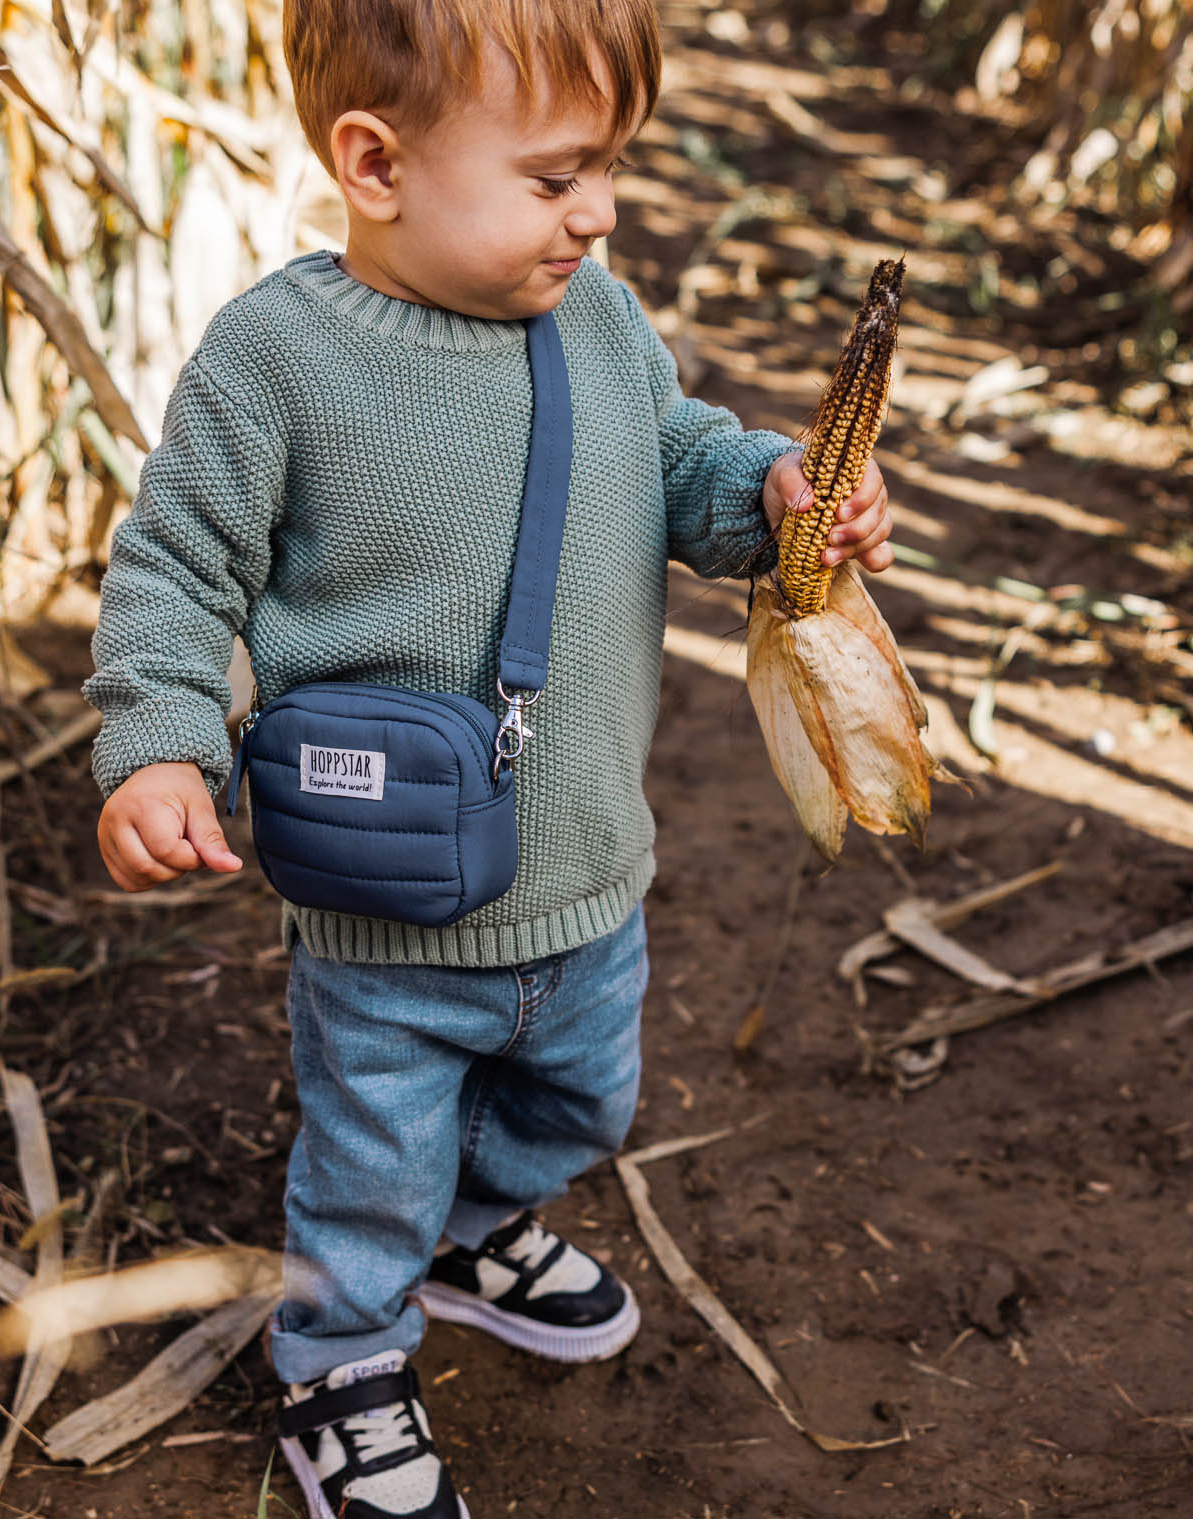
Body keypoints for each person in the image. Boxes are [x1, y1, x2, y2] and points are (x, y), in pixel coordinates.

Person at [83, 2, 894, 1514]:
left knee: (583, 1100)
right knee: (372, 1157)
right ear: (375, 163)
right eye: (554, 176)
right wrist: (159, 748)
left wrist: (777, 494)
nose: (598, 211)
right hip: (387, 892)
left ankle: (473, 1230)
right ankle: (342, 1360)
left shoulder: (599, 320)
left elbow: (677, 462)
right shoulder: (279, 358)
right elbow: (174, 569)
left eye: (609, 171)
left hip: (586, 867)